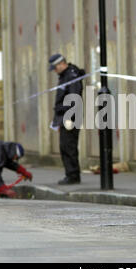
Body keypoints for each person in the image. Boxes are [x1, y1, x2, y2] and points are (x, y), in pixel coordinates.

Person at [49, 54, 85, 185]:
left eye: (55, 67)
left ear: (61, 64)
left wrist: (68, 118)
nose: (54, 70)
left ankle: (73, 175)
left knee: (68, 146)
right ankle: (71, 174)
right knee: (65, 146)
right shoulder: (65, 76)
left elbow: (73, 98)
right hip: (64, 116)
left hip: (70, 116)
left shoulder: (71, 76)